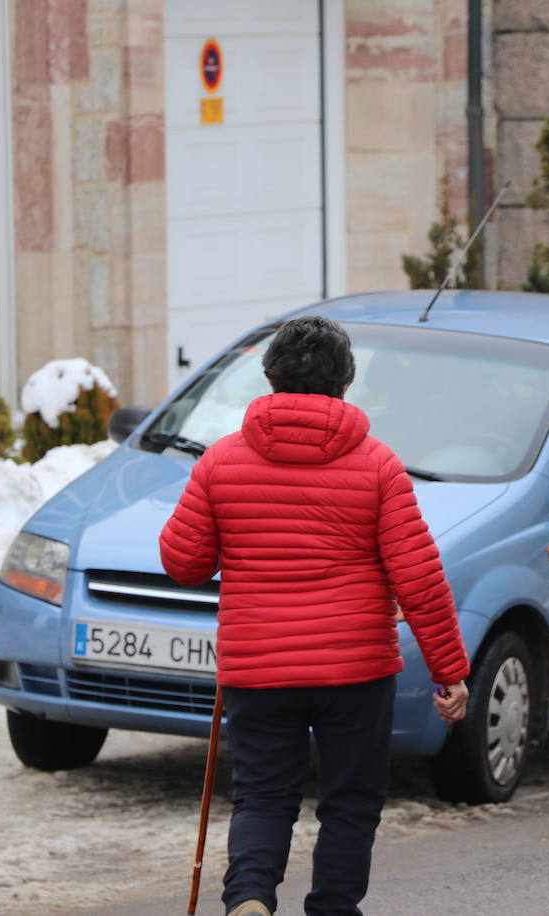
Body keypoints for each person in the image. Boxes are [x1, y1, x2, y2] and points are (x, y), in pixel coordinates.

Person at [159, 315, 471, 916]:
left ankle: (249, 898)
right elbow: (419, 576)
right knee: (350, 801)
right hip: (354, 668)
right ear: (345, 382)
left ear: (271, 375)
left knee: (262, 797)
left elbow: (182, 562)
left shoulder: (221, 461)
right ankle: (332, 907)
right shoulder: (378, 466)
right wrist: (449, 670)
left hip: (258, 666)